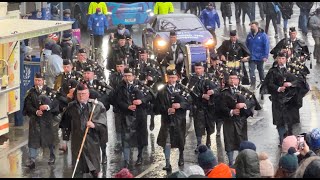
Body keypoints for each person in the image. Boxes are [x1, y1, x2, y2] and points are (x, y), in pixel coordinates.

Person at [60, 83, 108, 178]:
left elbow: (103, 125)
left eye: (83, 93)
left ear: (88, 94)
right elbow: (65, 124)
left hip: (92, 142)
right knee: (78, 169)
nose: (81, 96)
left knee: (94, 169)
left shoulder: (97, 106)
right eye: (79, 94)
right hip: (77, 142)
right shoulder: (71, 107)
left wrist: (94, 125)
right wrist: (64, 141)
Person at [219, 70, 261, 166]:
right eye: (231, 78)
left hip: (241, 121)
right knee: (229, 142)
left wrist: (244, 104)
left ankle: (241, 162)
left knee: (242, 142)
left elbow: (253, 102)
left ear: (238, 80)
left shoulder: (244, 91)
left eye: (235, 78)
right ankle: (230, 163)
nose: (232, 80)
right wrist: (231, 111)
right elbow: (220, 106)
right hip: (229, 121)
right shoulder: (224, 92)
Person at [262, 52, 303, 146]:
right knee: (279, 121)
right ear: (277, 59)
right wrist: (278, 88)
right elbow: (269, 83)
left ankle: (290, 141)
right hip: (277, 100)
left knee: (289, 121)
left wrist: (291, 84)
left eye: (283, 58)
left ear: (286, 59)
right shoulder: (273, 71)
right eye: (279, 58)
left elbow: (301, 80)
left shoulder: (293, 69)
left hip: (290, 100)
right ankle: (282, 140)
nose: (281, 60)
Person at [116, 67, 152, 168]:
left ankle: (140, 157)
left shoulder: (140, 85)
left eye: (129, 76)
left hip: (140, 115)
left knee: (140, 138)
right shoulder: (120, 87)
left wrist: (141, 101)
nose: (127, 78)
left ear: (133, 76)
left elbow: (150, 96)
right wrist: (127, 106)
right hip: (126, 116)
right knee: (126, 138)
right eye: (125, 76)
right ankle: (126, 160)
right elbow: (118, 101)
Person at [154, 69, 189, 171]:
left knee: (181, 140)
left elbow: (189, 103)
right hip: (166, 120)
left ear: (177, 78)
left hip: (179, 120)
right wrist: (167, 110)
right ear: (167, 78)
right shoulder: (162, 91)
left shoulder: (182, 89)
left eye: (173, 77)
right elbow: (156, 107)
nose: (171, 79)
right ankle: (167, 162)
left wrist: (180, 105)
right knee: (167, 141)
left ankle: (181, 156)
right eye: (169, 77)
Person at [23, 72, 59, 169]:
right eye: (36, 80)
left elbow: (55, 103)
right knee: (33, 139)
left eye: (39, 80)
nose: (37, 82)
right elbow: (27, 105)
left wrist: (47, 107)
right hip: (35, 120)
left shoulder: (49, 91)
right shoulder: (31, 92)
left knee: (49, 138)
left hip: (46, 120)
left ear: (43, 81)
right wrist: (35, 111)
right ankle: (32, 159)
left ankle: (52, 156)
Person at [187, 62, 220, 152]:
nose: (198, 70)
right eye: (196, 69)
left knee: (209, 125)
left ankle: (208, 142)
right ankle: (199, 144)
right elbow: (190, 90)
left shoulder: (210, 77)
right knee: (198, 125)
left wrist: (213, 91)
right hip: (198, 106)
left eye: (200, 68)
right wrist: (201, 95)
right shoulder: (192, 79)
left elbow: (219, 87)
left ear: (203, 69)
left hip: (209, 106)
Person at [246, 21, 269, 90]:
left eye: (252, 26)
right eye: (251, 26)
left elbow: (266, 46)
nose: (251, 28)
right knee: (251, 70)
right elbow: (246, 45)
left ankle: (263, 84)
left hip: (260, 57)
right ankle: (253, 84)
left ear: (257, 26)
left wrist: (265, 56)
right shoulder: (249, 35)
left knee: (261, 70)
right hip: (252, 56)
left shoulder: (263, 35)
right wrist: (246, 54)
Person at [109, 60, 125, 152]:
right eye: (118, 66)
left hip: (127, 103)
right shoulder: (113, 77)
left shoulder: (128, 75)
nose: (119, 68)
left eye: (121, 66)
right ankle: (119, 142)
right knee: (118, 124)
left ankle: (128, 141)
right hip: (117, 104)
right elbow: (111, 89)